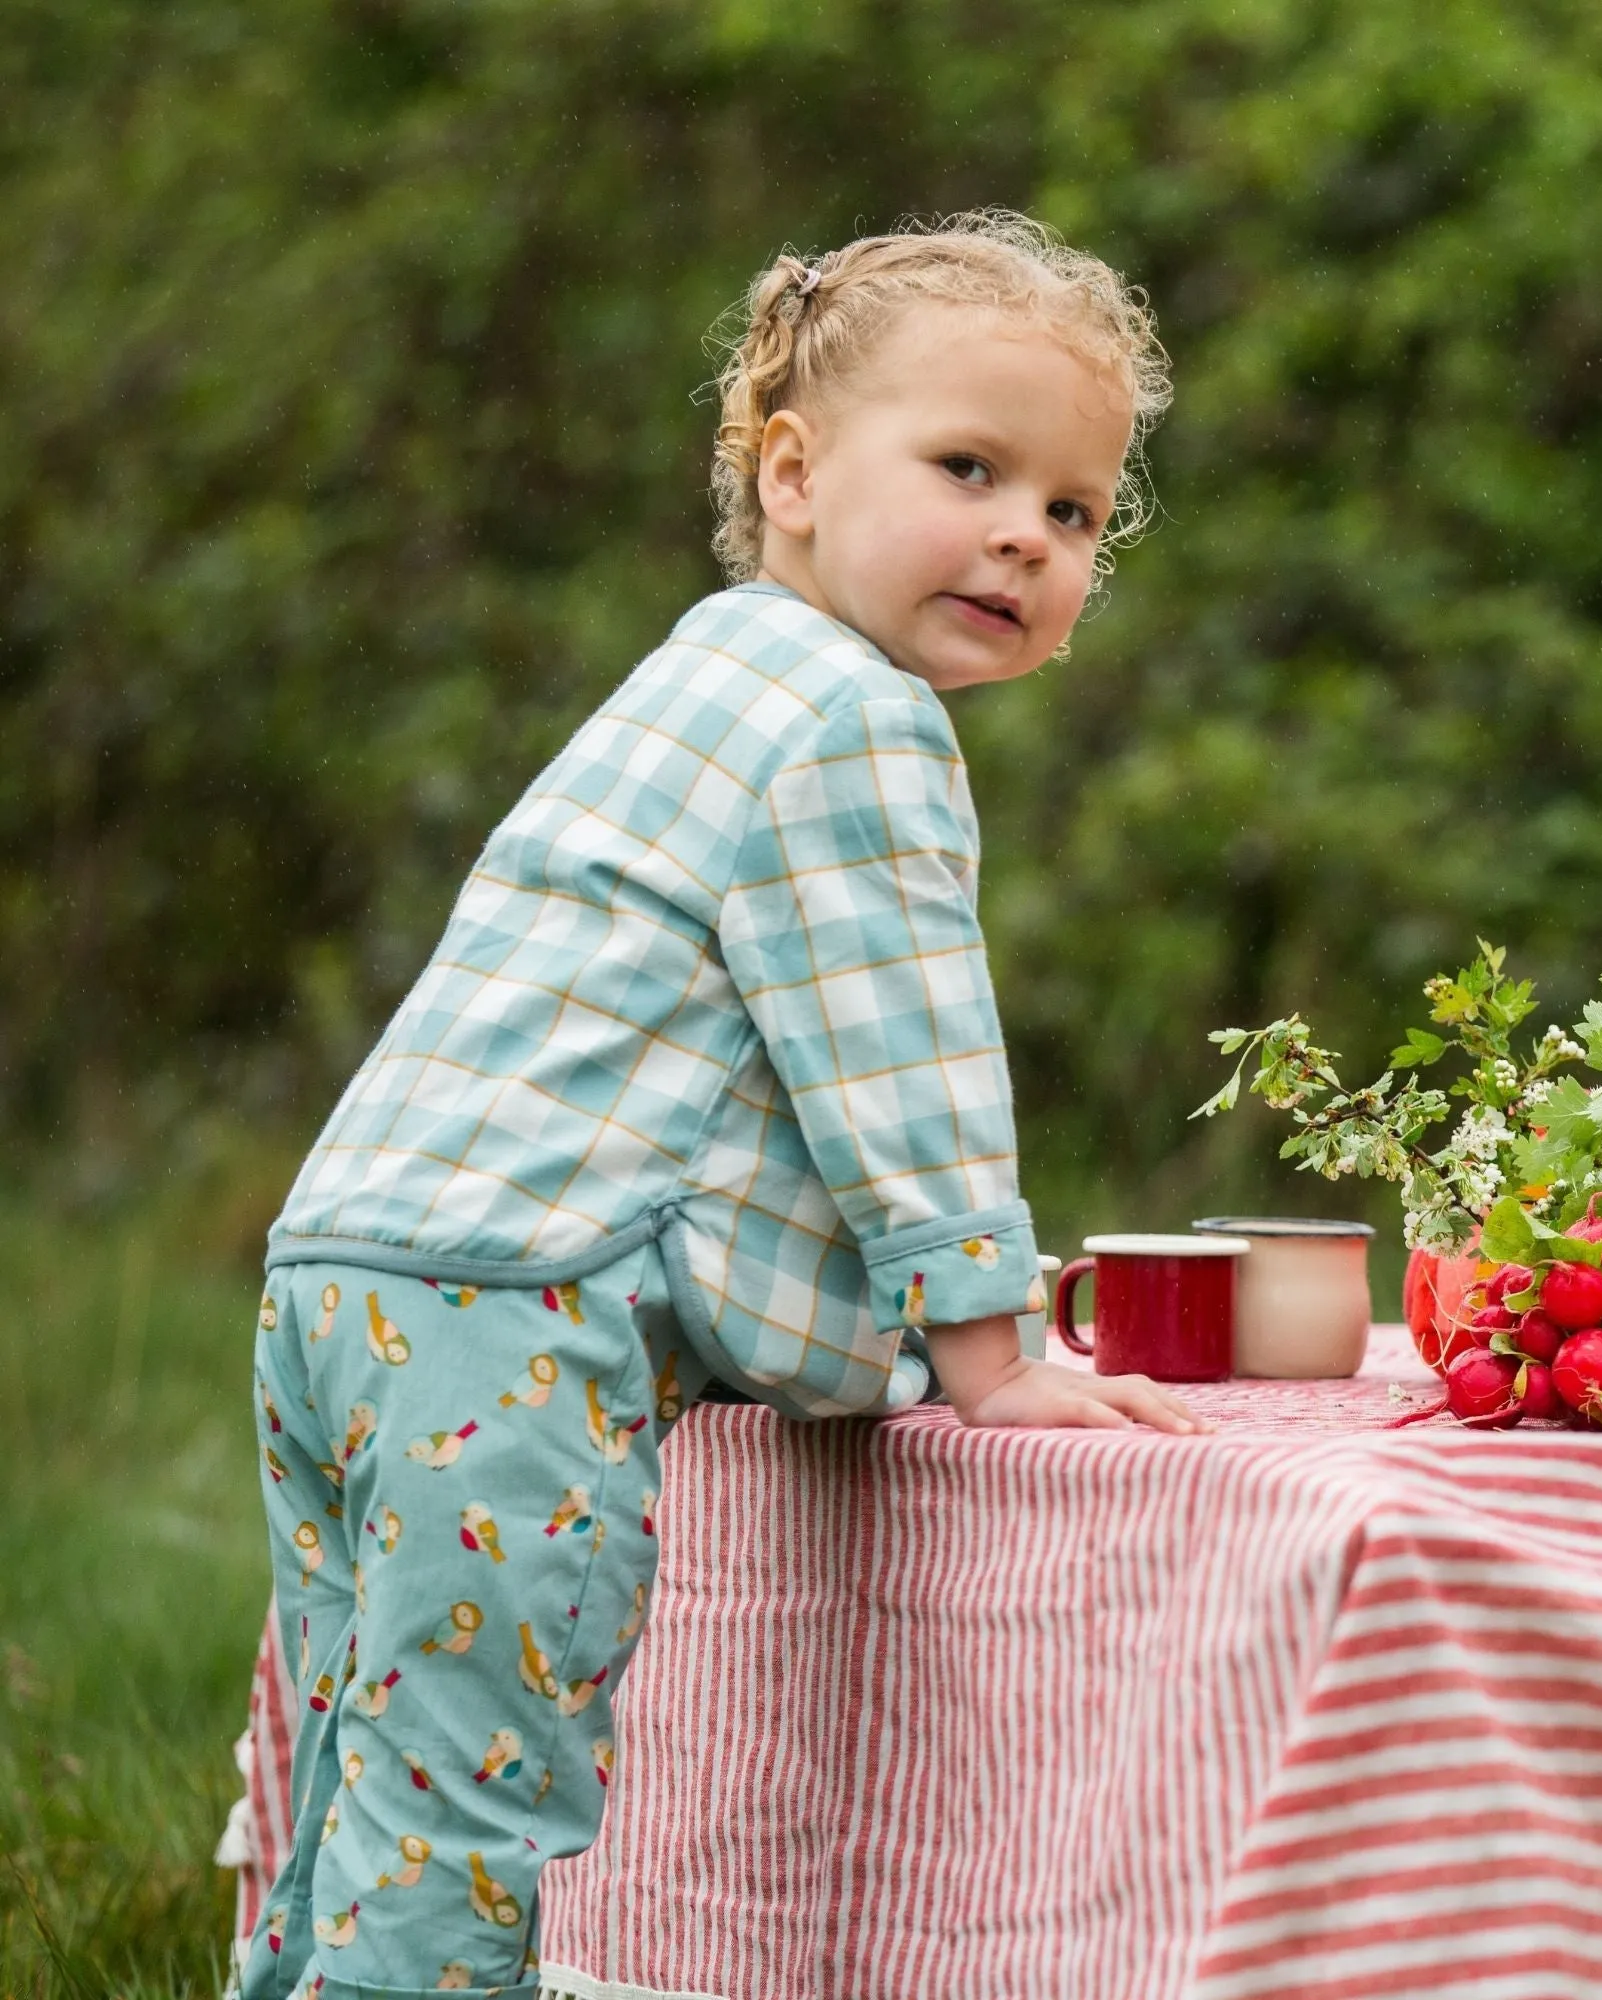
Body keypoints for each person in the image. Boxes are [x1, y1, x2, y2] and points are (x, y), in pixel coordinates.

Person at [244, 209, 1204, 2000]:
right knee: (469, 1814)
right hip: (505, 1322)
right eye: (970, 467)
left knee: (371, 1776)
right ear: (794, 472)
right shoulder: (856, 723)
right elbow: (898, 1058)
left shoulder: (706, 670)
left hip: (345, 1279)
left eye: (1073, 513)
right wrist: (986, 1346)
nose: (1025, 532)